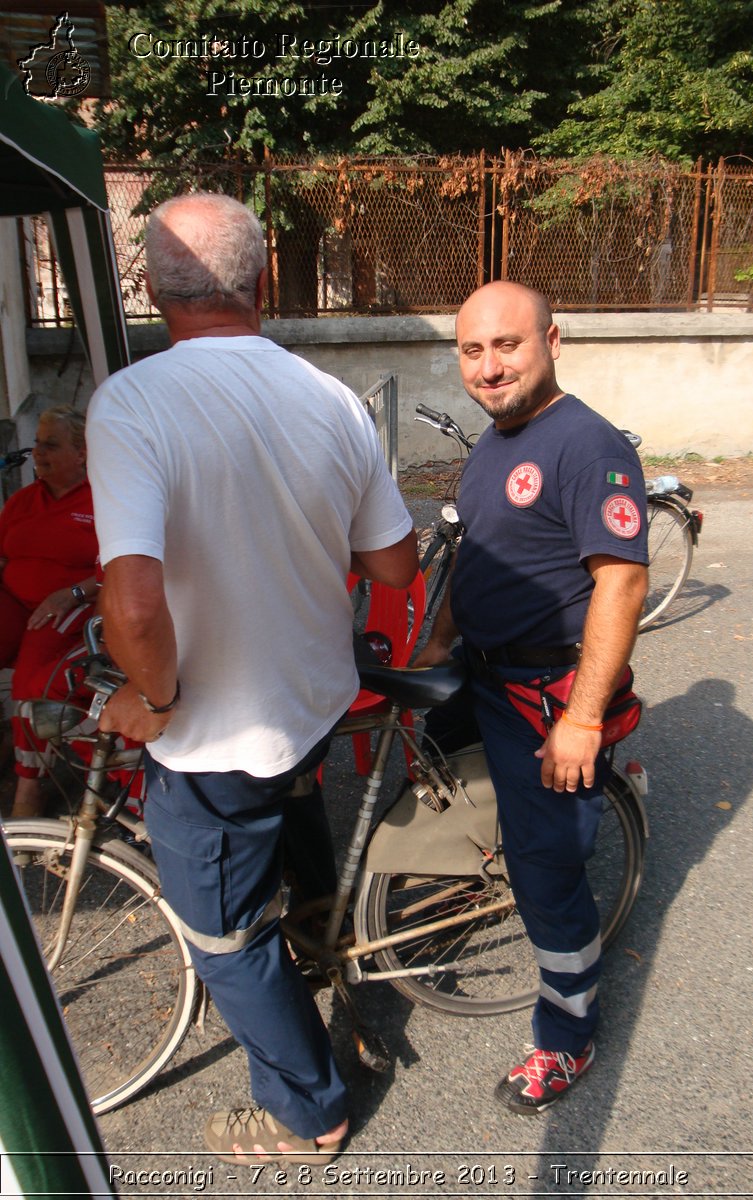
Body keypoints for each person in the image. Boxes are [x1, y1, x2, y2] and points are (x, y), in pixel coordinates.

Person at [85, 192, 418, 1164]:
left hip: (213, 738)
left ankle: (310, 1111)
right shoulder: (329, 400)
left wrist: (150, 699)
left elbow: (136, 608)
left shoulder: (132, 404)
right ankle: (320, 946)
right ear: (265, 282)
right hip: (309, 704)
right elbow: (393, 566)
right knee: (292, 812)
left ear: (148, 290)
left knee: (223, 940)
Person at [415, 281, 649, 1113]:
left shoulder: (587, 447)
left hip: (545, 693)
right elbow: (477, 556)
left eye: (507, 345)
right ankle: (491, 862)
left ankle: (568, 1035)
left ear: (553, 339)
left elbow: (620, 582)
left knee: (546, 871)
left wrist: (584, 720)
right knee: (425, 767)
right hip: (481, 665)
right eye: (473, 350)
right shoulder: (495, 439)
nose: (489, 366)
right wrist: (439, 640)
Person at [0, 406, 99, 818]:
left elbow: (116, 570)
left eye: (51, 445)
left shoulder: (103, 499)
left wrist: (71, 593)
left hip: (73, 603)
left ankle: (30, 783)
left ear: (82, 453)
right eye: (38, 444)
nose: (37, 453)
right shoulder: (24, 500)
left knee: (30, 683)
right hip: (16, 599)